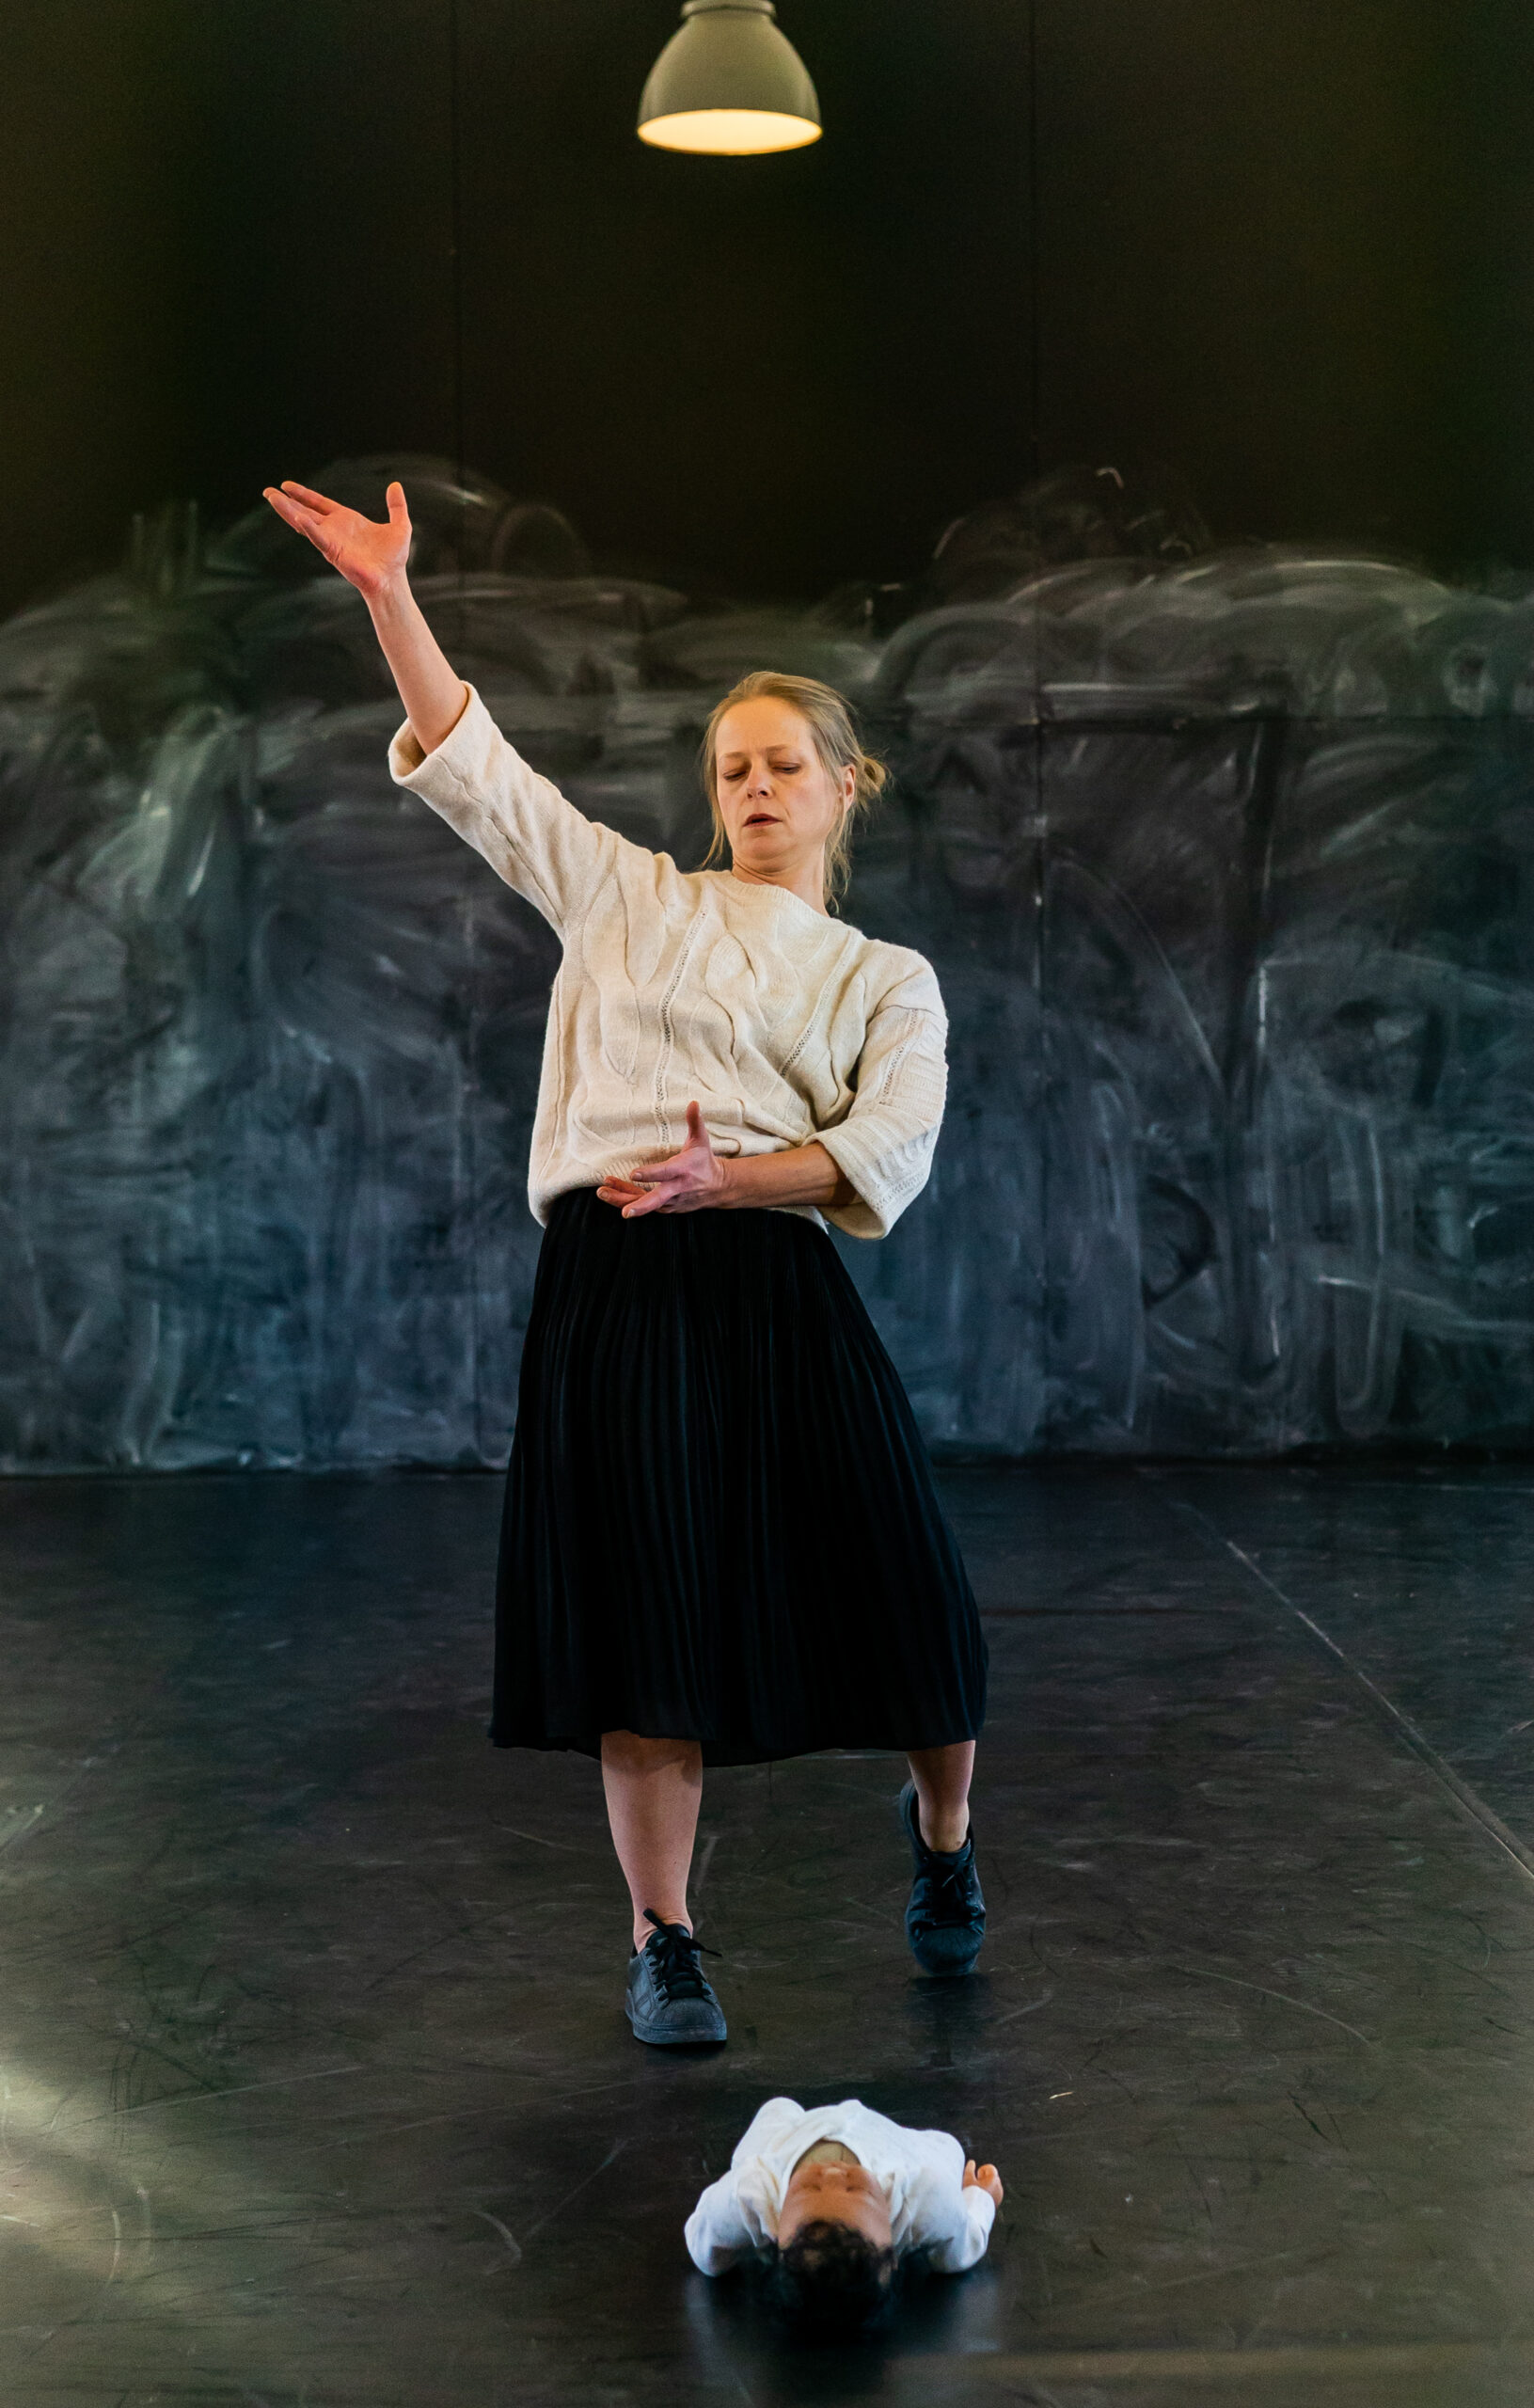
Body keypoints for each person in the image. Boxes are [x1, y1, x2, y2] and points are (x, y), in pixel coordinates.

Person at [262, 474, 988, 2046]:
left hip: (772, 1272)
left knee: (913, 1592)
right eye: (732, 767)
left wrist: (738, 1177)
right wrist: (391, 596)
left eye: (783, 763)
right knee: (647, 1613)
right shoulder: (627, 895)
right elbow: (476, 766)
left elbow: (887, 1147)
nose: (755, 786)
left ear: (845, 783)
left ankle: (942, 1842)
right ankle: (665, 1941)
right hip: (619, 1276)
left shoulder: (885, 975)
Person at [686, 2096, 1004, 2337]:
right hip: (884, 2139)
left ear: (776, 2232)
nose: (833, 2174)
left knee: (776, 2108)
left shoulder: (752, 2194)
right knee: (948, 2148)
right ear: (892, 2247)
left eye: (808, 2188)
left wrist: (714, 2262)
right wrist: (981, 2198)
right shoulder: (923, 2198)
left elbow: (703, 2238)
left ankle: (783, 2115)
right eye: (857, 2189)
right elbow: (963, 2246)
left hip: (790, 2137)